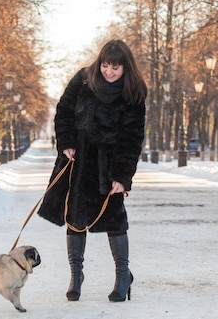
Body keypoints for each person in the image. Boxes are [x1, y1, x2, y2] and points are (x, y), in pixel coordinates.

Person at [38, 39, 147, 302]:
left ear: (125, 68)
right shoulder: (84, 79)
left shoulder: (133, 92)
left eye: (115, 68)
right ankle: (76, 275)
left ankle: (123, 276)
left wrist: (122, 176)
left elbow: (133, 137)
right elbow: (63, 111)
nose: (109, 72)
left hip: (109, 164)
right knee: (75, 218)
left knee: (115, 219)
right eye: (106, 65)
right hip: (78, 159)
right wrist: (66, 143)